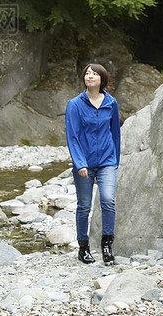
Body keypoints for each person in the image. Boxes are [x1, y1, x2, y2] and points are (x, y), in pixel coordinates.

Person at [65, 62, 121, 264]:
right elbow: (73, 137)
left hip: (107, 161)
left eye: (94, 74)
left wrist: (115, 160)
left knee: (108, 200)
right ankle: (83, 248)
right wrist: (80, 163)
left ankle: (107, 245)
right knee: (84, 206)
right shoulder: (75, 104)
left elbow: (115, 133)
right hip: (84, 164)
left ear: (102, 79)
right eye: (87, 73)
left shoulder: (111, 103)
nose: (90, 76)